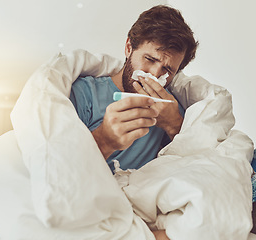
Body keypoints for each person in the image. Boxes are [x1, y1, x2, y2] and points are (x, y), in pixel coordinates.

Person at [69, 5, 198, 239]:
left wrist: (174, 125)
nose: (154, 75)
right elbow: (60, 169)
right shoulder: (84, 93)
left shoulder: (175, 108)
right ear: (129, 47)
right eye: (149, 59)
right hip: (85, 205)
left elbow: (198, 167)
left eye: (167, 69)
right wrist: (105, 139)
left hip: (138, 212)